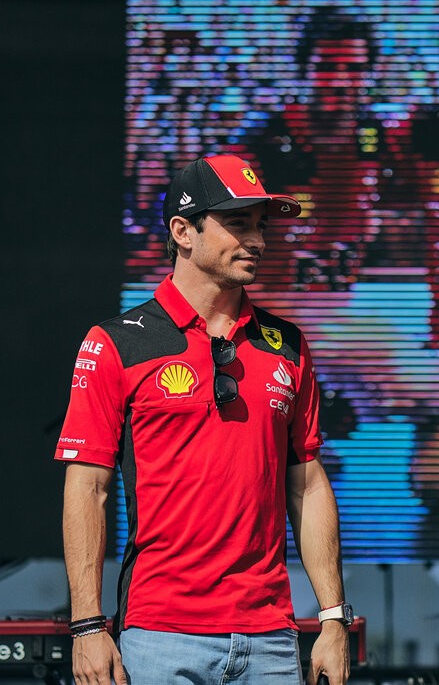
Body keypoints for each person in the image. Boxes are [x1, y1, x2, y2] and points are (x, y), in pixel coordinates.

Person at [56, 154, 352, 685]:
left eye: (261, 226)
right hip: (160, 637)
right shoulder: (115, 343)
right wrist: (86, 626)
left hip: (271, 642)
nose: (258, 240)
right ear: (182, 231)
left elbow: (306, 484)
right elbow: (88, 489)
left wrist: (332, 619)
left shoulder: (288, 346)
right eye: (238, 223)